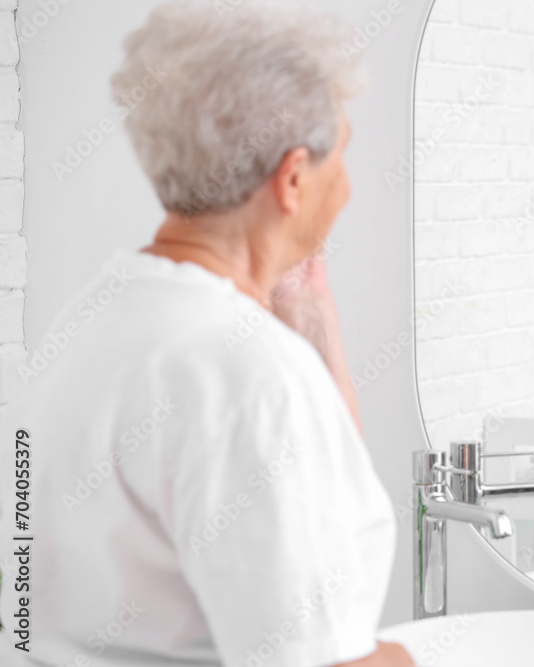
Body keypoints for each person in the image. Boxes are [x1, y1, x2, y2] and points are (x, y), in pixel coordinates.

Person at [0, 1, 413, 665]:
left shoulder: (81, 326)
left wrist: (311, 315)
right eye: (344, 153)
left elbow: (304, 500)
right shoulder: (253, 375)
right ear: (293, 178)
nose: (349, 185)